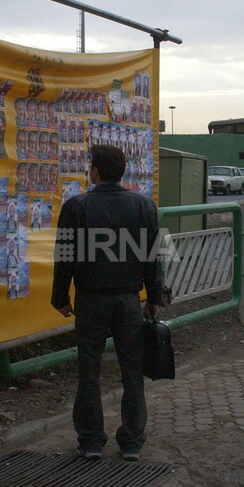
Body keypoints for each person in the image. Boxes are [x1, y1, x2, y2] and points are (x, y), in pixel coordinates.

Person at [52, 144, 162, 461]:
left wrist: (60, 298)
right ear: (123, 170)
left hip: (90, 301)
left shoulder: (77, 207)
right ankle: (131, 442)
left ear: (95, 171)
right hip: (129, 300)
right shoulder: (143, 206)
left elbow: (65, 258)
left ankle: (90, 441)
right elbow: (153, 259)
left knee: (89, 371)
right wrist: (153, 298)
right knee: (132, 371)